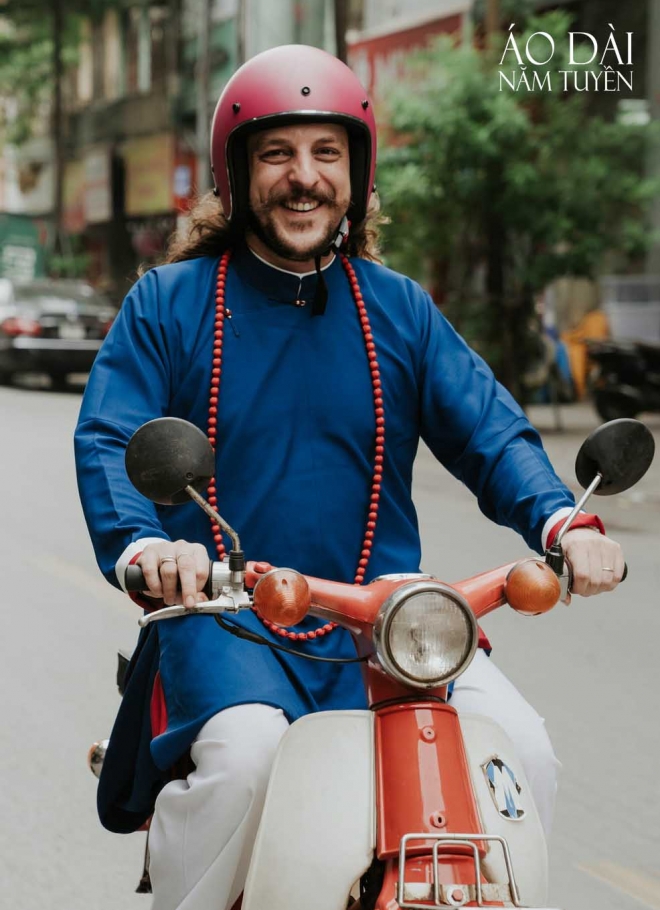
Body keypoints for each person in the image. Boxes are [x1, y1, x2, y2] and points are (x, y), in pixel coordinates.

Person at [74, 45, 624, 910]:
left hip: (389, 621)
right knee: (247, 759)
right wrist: (145, 546)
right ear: (238, 172)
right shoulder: (168, 303)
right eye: (277, 153)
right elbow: (112, 437)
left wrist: (564, 521)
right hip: (227, 617)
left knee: (522, 750)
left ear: (356, 173)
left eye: (326, 153)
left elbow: (489, 431)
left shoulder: (399, 307)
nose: (304, 177)